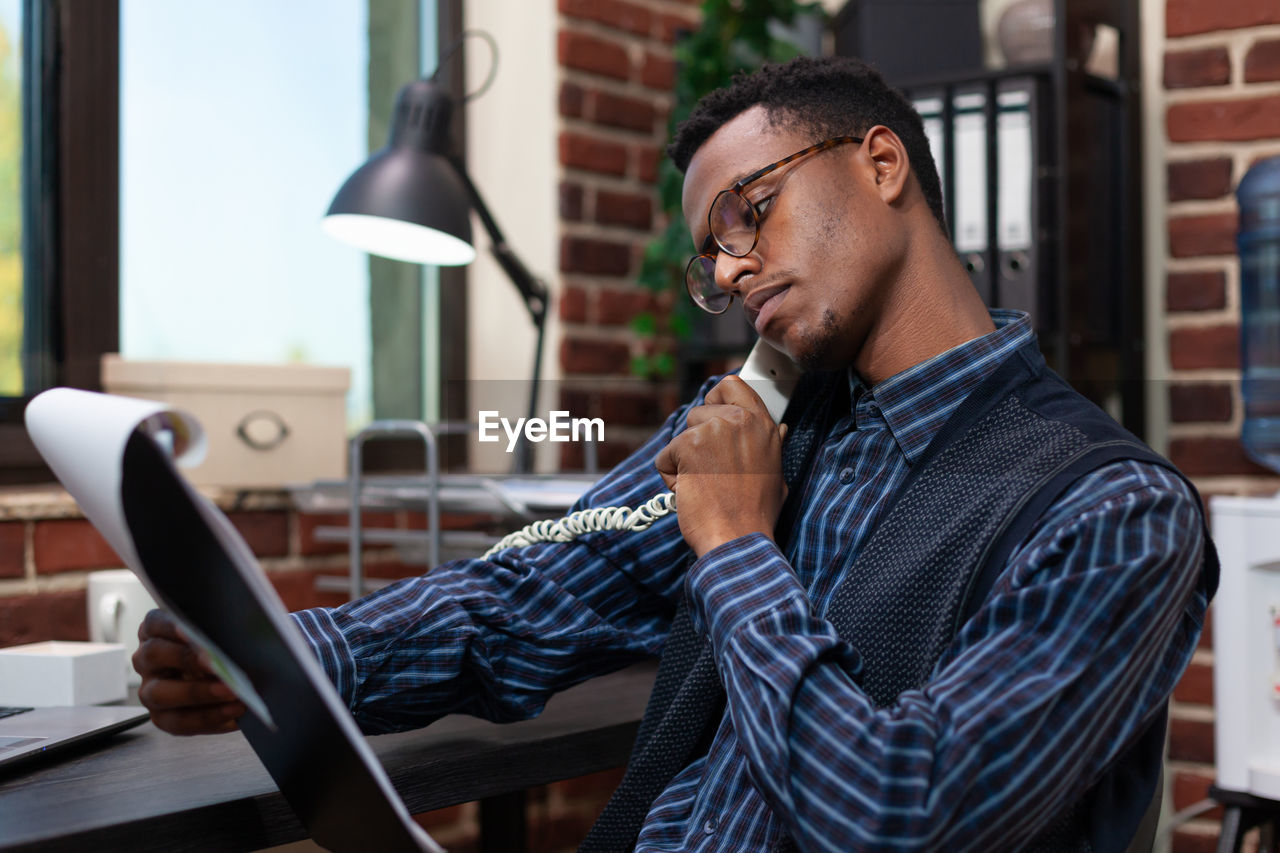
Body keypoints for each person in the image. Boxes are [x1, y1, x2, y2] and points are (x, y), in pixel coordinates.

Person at [134, 55, 1217, 851]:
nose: (733, 270)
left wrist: (737, 541)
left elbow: (902, 815)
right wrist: (271, 655)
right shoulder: (761, 420)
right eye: (710, 255)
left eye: (749, 213)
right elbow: (532, 593)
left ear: (880, 163)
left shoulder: (1111, 511)